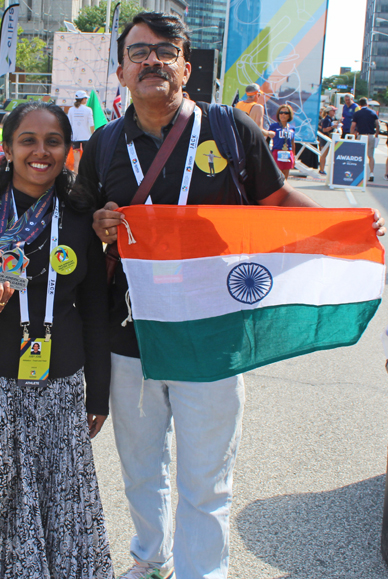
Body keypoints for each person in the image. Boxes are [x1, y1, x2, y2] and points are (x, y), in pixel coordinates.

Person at [78, 12, 386, 579]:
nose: (153, 61)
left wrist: (341, 230)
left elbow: (276, 202)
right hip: (132, 335)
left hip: (214, 334)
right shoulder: (102, 145)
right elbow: (79, 228)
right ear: (121, 72)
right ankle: (151, 559)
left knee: (206, 476)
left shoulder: (230, 128)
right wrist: (96, 223)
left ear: (186, 68)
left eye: (165, 51)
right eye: (139, 52)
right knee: (143, 470)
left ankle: (203, 574)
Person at [0, 101, 113, 579]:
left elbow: (96, 311)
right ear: (8, 149)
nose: (41, 151)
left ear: (67, 150)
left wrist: (98, 393)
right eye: (28, 141)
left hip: (60, 387)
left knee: (59, 504)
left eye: (52, 141)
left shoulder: (79, 220)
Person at [350, 97, 380, 182]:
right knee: (371, 156)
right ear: (367, 104)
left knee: (360, 156)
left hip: (361, 136)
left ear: (359, 105)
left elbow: (353, 126)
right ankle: (371, 173)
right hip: (371, 135)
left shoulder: (357, 113)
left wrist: (352, 135)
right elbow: (378, 124)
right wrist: (376, 134)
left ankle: (359, 173)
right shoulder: (373, 113)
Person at [67, 90, 94, 173]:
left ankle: (76, 177)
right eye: (85, 98)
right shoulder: (88, 110)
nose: (86, 100)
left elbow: (68, 124)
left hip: (75, 138)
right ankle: (86, 177)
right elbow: (91, 124)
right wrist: (93, 135)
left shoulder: (71, 110)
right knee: (87, 159)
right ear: (82, 99)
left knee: (76, 160)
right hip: (86, 138)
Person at [269, 104, 296, 179]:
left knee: (285, 176)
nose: (283, 115)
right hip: (277, 152)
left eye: (286, 113)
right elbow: (267, 140)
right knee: (277, 176)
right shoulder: (274, 126)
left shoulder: (292, 128)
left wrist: (293, 156)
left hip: (288, 153)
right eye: (281, 113)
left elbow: (293, 143)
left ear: (289, 115)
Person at [318, 105, 338, 175]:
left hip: (326, 138)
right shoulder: (327, 119)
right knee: (324, 154)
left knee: (324, 154)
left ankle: (322, 169)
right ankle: (321, 169)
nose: (335, 112)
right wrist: (332, 127)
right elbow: (324, 129)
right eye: (333, 111)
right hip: (324, 138)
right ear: (329, 111)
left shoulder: (329, 119)